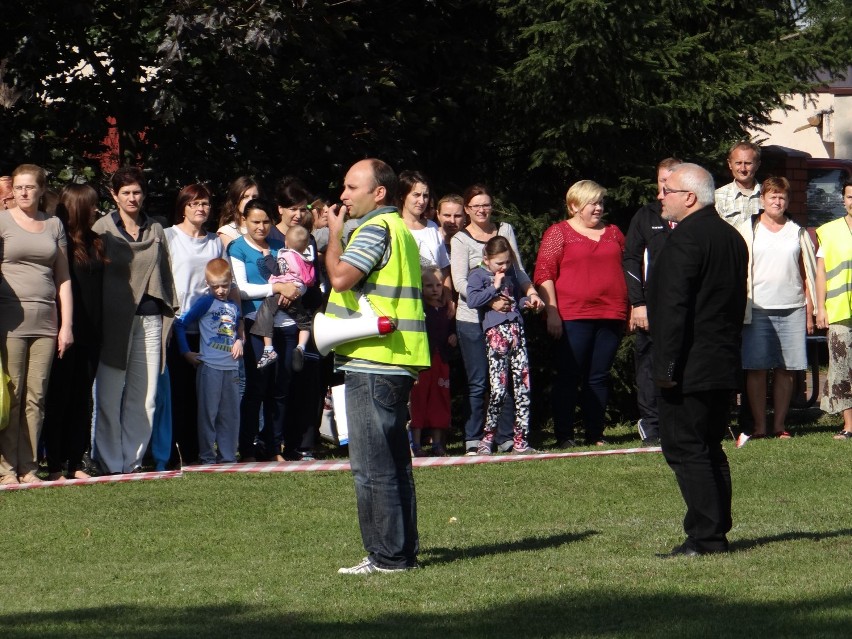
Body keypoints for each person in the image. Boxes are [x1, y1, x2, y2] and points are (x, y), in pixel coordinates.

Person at [325, 158, 430, 574]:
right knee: (395, 464)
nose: (343, 196)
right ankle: (401, 553)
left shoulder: (373, 228)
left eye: (352, 188)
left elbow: (340, 279)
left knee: (371, 468)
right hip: (398, 359)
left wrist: (334, 236)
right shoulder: (401, 229)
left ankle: (386, 557)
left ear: (379, 193)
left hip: (373, 360)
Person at [648, 163, 748, 557]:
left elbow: (673, 310)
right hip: (721, 359)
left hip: (690, 364)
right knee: (708, 446)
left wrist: (667, 368)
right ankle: (715, 530)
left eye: (667, 189)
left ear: (689, 197)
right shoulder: (730, 237)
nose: (660, 195)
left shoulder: (686, 240)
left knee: (686, 447)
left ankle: (706, 537)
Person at [93, 167, 178, 475]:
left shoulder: (156, 229)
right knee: (109, 395)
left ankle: (133, 461)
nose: (132, 198)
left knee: (146, 396)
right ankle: (110, 462)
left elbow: (165, 273)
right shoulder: (101, 228)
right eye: (126, 192)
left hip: (151, 318)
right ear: (114, 195)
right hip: (113, 322)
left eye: (137, 192)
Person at [534, 180, 627, 447]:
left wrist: (631, 308)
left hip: (611, 314)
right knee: (568, 376)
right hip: (572, 315)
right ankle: (564, 436)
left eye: (600, 202)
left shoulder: (614, 233)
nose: (598, 208)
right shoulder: (558, 233)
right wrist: (552, 312)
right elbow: (544, 273)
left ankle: (595, 434)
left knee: (598, 376)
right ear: (574, 206)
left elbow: (627, 269)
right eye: (592, 203)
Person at [0, 164, 73, 485]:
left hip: (47, 323)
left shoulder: (54, 224)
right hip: (9, 324)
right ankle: (6, 468)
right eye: (18, 188)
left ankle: (29, 467)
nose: (24, 193)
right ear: (11, 191)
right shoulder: (1, 222)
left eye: (30, 187)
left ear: (42, 190)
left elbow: (64, 278)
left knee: (36, 397)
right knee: (10, 397)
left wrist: (66, 325)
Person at [736, 177, 816, 443]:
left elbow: (809, 275)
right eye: (772, 196)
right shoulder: (749, 230)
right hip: (757, 308)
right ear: (762, 200)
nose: (777, 201)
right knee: (756, 368)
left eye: (782, 197)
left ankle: (780, 425)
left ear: (787, 201)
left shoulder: (797, 231)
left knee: (787, 369)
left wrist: (810, 307)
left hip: (792, 308)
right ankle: (759, 425)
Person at [451, 184, 529, 455]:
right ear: (467, 210)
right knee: (479, 381)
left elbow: (518, 270)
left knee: (505, 380)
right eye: (476, 206)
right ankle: (473, 437)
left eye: (486, 204)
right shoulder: (460, 240)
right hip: (472, 319)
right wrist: (490, 298)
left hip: (505, 321)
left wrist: (530, 293)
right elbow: (460, 282)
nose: (482, 210)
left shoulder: (505, 230)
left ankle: (505, 437)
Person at [227, 198, 301, 462]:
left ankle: (274, 447)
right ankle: (247, 448)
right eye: (255, 222)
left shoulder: (281, 246)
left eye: (265, 222)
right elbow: (241, 288)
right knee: (257, 388)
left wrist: (294, 291)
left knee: (280, 389)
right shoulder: (237, 248)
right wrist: (277, 288)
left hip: (286, 324)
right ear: (244, 221)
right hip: (255, 324)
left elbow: (299, 276)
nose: (261, 227)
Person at [42, 184, 105, 481]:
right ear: (78, 207)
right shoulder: (58, 239)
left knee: (83, 399)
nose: (96, 210)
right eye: (91, 205)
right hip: (64, 330)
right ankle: (54, 463)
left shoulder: (96, 242)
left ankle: (77, 461)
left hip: (91, 331)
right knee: (59, 397)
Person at [164, 183, 226, 466]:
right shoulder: (168, 237)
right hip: (177, 325)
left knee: (206, 396)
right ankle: (179, 453)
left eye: (205, 204)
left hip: (210, 329)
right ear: (184, 206)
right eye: (195, 203)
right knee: (179, 393)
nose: (201, 209)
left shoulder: (216, 241)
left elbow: (228, 283)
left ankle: (202, 452)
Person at [623, 158, 682, 445]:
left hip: (684, 307)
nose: (665, 186)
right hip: (651, 307)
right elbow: (631, 259)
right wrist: (638, 304)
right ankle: (651, 423)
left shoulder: (693, 214)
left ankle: (679, 420)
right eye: (661, 180)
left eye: (671, 180)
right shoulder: (645, 216)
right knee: (649, 365)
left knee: (683, 363)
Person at [467, 236, 543, 455]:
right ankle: (487, 440)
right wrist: (494, 287)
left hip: (517, 332)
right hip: (496, 335)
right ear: (486, 259)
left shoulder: (510, 275)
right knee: (498, 391)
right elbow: (473, 301)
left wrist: (526, 303)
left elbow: (515, 299)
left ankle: (521, 441)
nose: (504, 267)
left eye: (507, 262)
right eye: (499, 263)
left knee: (523, 389)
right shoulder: (478, 275)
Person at [173, 258, 244, 464]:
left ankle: (228, 455)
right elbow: (180, 324)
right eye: (215, 286)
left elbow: (238, 329)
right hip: (210, 367)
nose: (221, 290)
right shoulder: (205, 302)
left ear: (231, 282)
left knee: (230, 415)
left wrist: (240, 341)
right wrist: (186, 352)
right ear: (208, 285)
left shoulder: (233, 306)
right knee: (208, 413)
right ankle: (207, 456)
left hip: (231, 368)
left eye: (224, 285)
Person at [815, 178, 852, 440]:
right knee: (842, 368)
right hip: (840, 310)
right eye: (851, 197)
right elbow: (821, 272)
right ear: (843, 199)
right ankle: (849, 425)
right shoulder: (828, 231)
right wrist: (820, 308)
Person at [250, 224, 315, 372]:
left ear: (286, 242)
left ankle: (268, 349)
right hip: (297, 294)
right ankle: (301, 347)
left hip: (280, 291)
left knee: (265, 313)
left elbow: (277, 270)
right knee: (304, 323)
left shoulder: (286, 255)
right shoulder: (306, 258)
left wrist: (267, 256)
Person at [409, 265, 457, 457]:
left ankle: (438, 443)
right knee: (418, 400)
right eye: (429, 285)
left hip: (441, 360)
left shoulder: (447, 308)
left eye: (438, 285)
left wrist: (453, 335)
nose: (435, 289)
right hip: (423, 361)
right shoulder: (419, 308)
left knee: (440, 399)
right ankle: (416, 444)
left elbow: (451, 328)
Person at [398, 171, 452, 304]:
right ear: (402, 196)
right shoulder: (395, 226)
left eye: (426, 196)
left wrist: (448, 296)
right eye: (416, 195)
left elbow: (443, 266)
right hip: (406, 299)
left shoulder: (432, 227)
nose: (422, 201)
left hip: (435, 302)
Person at [715, 141, 762, 228]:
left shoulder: (769, 195)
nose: (743, 169)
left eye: (748, 163)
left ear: (757, 165)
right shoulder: (718, 197)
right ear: (730, 164)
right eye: (738, 163)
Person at [216, 176, 260, 250]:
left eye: (254, 197)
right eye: (245, 197)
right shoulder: (227, 232)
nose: (251, 200)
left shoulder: (265, 229)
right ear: (236, 200)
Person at [437, 194, 465, 259]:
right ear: (438, 215)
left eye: (457, 216)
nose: (452, 221)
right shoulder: (429, 238)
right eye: (447, 215)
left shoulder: (470, 240)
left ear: (465, 216)